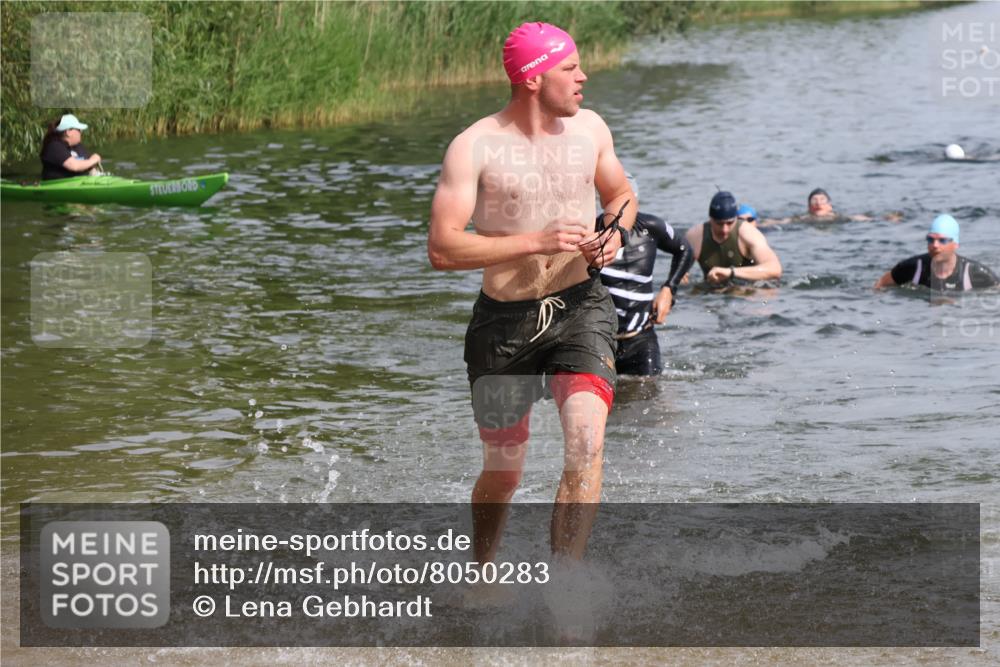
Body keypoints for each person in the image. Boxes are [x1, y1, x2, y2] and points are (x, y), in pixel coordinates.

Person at [427, 22, 636, 566]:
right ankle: (482, 568)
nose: (583, 76)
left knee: (587, 443)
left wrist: (613, 233)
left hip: (581, 308)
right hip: (504, 326)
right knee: (504, 470)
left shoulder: (590, 129)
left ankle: (565, 588)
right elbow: (443, 249)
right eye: (570, 68)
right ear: (532, 78)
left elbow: (620, 194)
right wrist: (533, 242)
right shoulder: (474, 147)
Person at [599, 177, 693, 376]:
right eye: (613, 204)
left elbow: (685, 250)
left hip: (641, 340)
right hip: (601, 343)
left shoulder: (650, 227)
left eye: (626, 205)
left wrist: (669, 289)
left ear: (636, 203)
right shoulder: (591, 232)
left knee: (650, 401)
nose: (620, 214)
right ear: (602, 202)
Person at [874, 214, 999, 291]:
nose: (935, 245)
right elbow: (879, 286)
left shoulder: (975, 272)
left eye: (942, 240)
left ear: (955, 244)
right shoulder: (913, 267)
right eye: (930, 239)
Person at [684, 191, 782, 285]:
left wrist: (730, 272)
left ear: (736, 219)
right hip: (712, 292)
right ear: (711, 219)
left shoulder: (749, 234)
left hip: (747, 290)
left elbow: (774, 269)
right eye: (719, 224)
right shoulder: (695, 237)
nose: (724, 230)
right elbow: (677, 275)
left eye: (730, 223)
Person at [40, 114, 103, 181]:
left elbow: (88, 163)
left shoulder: (78, 146)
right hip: (59, 185)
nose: (81, 132)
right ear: (68, 132)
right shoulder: (54, 146)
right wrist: (94, 160)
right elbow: (75, 166)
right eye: (78, 130)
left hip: (81, 182)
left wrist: (93, 162)